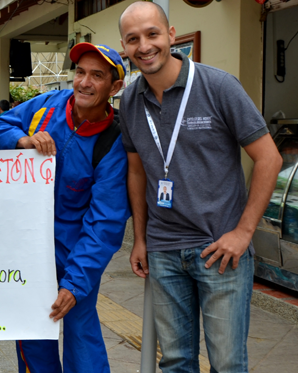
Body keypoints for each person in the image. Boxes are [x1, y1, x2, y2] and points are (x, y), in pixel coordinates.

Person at [118, 3, 282, 372]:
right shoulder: (129, 101)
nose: (144, 46)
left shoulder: (217, 85)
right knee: (175, 363)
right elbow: (138, 172)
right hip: (163, 251)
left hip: (220, 251)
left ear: (171, 35)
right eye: (133, 39)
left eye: (152, 34)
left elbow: (269, 158)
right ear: (125, 47)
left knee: (226, 364)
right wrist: (140, 239)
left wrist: (243, 232)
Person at [0, 42, 131, 373]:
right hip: (29, 249)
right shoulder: (48, 107)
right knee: (34, 333)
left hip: (76, 251)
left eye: (97, 75)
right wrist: (22, 140)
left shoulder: (113, 143)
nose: (84, 82)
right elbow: (1, 126)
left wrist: (75, 282)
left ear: (115, 87)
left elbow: (104, 224)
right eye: (80, 72)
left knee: (82, 333)